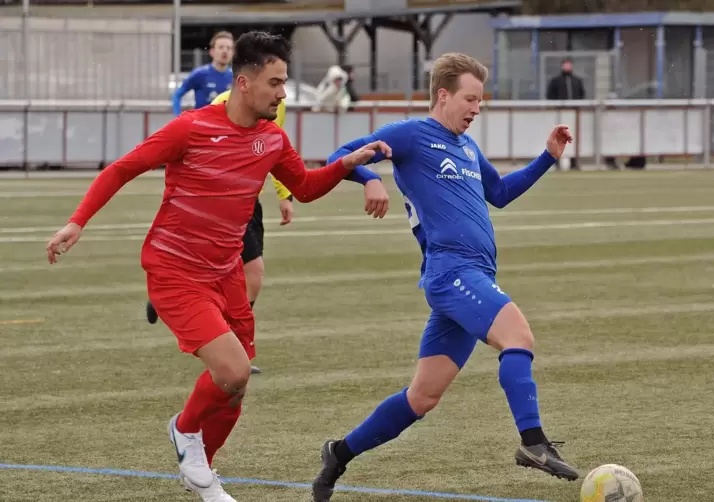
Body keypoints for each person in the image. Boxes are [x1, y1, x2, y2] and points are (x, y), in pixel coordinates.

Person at [46, 31, 391, 502]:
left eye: (285, 81)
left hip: (226, 272)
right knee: (232, 372)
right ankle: (184, 431)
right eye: (275, 82)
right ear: (245, 83)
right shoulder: (190, 128)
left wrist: (349, 164)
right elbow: (121, 168)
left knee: (235, 387)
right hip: (174, 271)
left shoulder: (272, 139)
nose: (283, 93)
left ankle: (202, 475)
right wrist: (76, 222)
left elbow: (306, 188)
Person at [310, 52, 579, 502]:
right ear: (443, 95)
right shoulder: (413, 134)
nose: (477, 109)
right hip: (451, 272)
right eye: (470, 99)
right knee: (519, 337)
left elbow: (501, 193)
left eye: (481, 101)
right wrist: (368, 179)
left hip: (467, 276)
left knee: (422, 398)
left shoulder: (467, 148)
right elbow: (340, 154)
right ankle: (533, 443)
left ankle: (338, 453)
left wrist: (547, 157)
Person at [146, 90, 292, 376]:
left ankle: (229, 351)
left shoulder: (277, 105)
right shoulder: (223, 105)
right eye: (274, 80)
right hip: (225, 202)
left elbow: (275, 154)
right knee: (252, 273)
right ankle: (228, 351)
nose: (280, 90)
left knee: (243, 276)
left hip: (251, 202)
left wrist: (284, 194)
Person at [172, 31, 235, 116]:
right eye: (221, 47)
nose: (225, 51)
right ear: (212, 51)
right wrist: (178, 117)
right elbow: (177, 95)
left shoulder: (235, 77)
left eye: (228, 48)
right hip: (202, 126)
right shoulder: (200, 74)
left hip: (225, 128)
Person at [545, 57, 585, 170]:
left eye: (569, 64)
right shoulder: (556, 81)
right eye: (565, 65)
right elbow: (550, 95)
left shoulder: (577, 80)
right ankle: (556, 160)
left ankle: (574, 161)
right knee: (559, 137)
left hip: (574, 114)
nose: (567, 67)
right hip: (560, 114)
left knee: (574, 137)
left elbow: (582, 95)